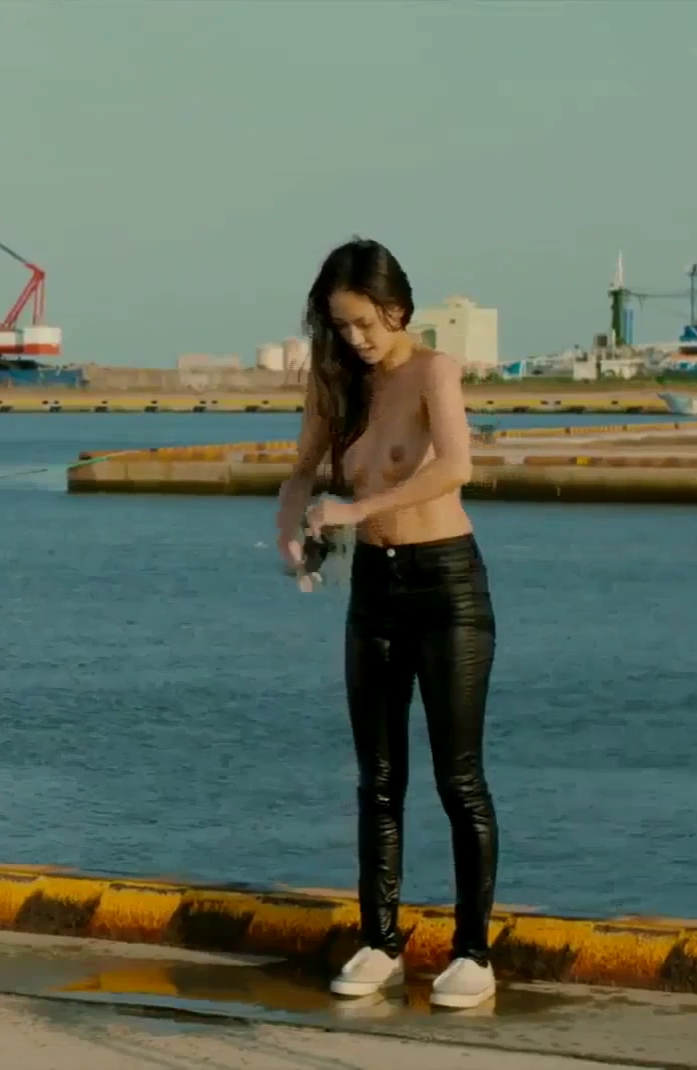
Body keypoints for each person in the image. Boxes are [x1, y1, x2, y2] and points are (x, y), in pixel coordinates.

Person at [275, 237, 499, 1010]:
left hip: (447, 586)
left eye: (364, 324)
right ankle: (380, 940)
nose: (355, 339)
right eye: (341, 326)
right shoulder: (336, 382)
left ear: (396, 309)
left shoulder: (435, 371)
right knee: (377, 779)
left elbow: (456, 466)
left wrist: (357, 508)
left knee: (458, 779)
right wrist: (290, 531)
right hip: (374, 587)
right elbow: (301, 471)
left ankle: (473, 952)